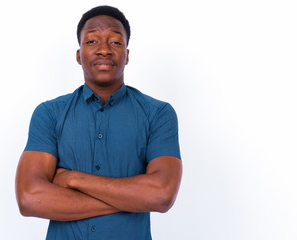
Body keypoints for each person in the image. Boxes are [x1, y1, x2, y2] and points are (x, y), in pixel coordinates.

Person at [15, 5, 182, 240]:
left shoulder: (158, 114)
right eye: (92, 41)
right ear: (78, 54)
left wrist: (72, 179)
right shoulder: (49, 114)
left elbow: (162, 194)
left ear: (127, 55)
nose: (104, 50)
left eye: (115, 42)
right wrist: (132, 197)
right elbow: (30, 199)